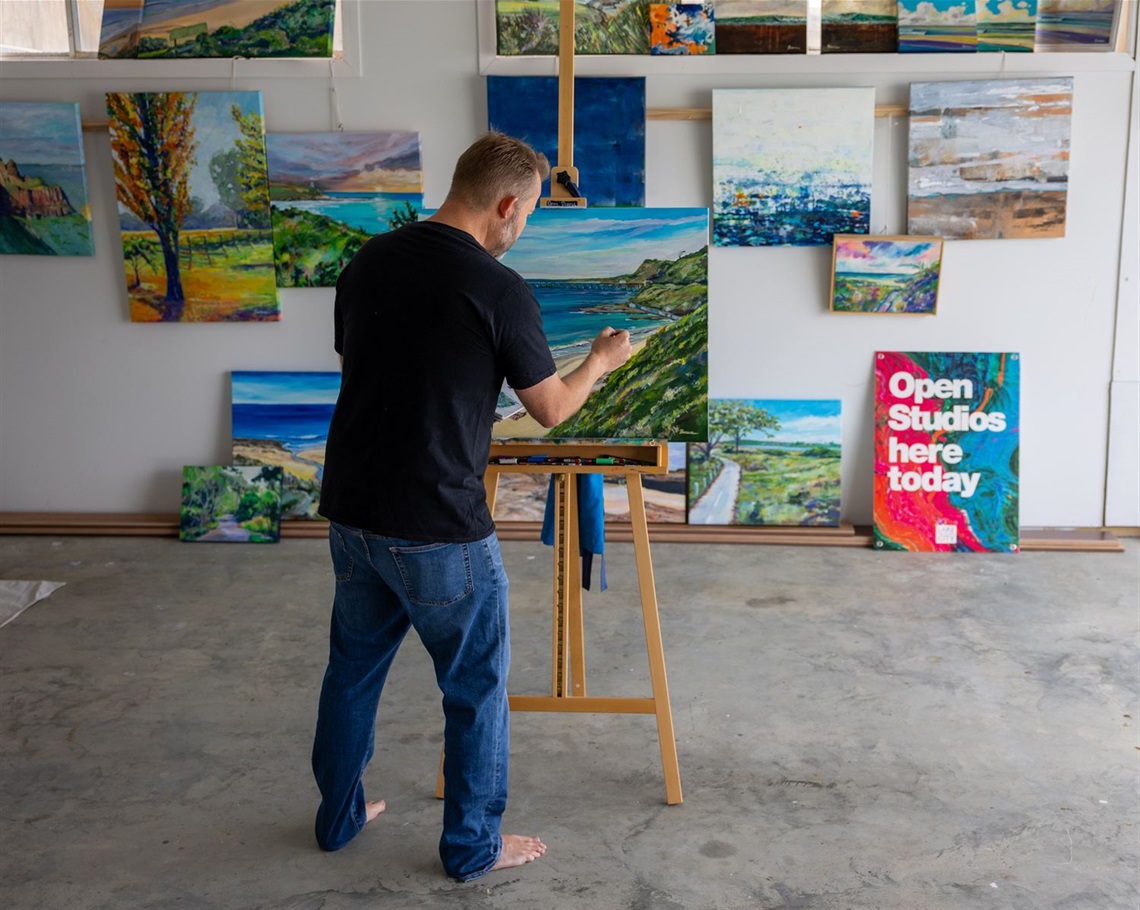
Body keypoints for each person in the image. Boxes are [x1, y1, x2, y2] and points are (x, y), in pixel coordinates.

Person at [311, 131, 633, 882]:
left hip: (354, 512)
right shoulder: (498, 287)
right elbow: (550, 408)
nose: (522, 233)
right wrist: (601, 361)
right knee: (476, 690)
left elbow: (381, 367)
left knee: (351, 671)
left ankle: (338, 817)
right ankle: (472, 849)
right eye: (526, 219)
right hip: (438, 528)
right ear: (508, 204)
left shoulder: (368, 261)